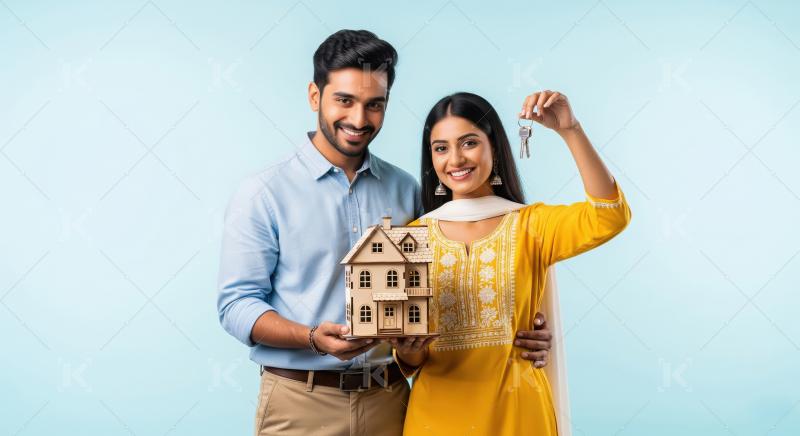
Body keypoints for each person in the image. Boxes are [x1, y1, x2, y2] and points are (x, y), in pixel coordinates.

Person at [216, 30, 553, 436]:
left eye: (374, 104)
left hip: (391, 399)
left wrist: (521, 326)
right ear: (314, 96)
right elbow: (236, 305)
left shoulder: (406, 190)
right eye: (345, 100)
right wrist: (311, 338)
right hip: (301, 402)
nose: (359, 120)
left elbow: (448, 279)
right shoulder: (264, 192)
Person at [393, 91, 632, 436]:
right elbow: (409, 361)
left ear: (494, 145)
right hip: (436, 419)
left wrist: (570, 130)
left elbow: (609, 216)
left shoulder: (531, 225)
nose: (455, 159)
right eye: (441, 148)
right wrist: (408, 352)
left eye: (469, 143)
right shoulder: (411, 239)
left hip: (519, 416)